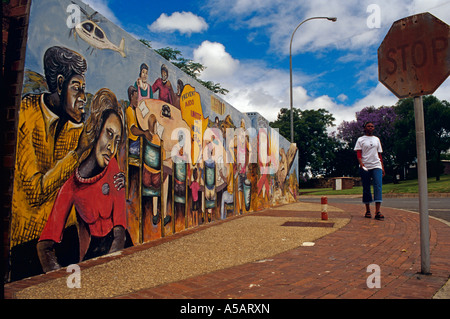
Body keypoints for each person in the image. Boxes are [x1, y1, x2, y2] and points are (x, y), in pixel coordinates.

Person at [37, 88, 127, 272]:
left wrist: (110, 268)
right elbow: (45, 244)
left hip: (117, 248)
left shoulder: (113, 169)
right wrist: (58, 277)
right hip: (91, 252)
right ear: (97, 131)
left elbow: (120, 233)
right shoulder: (73, 184)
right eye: (109, 134)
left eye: (117, 141)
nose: (112, 147)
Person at [11, 46, 91, 248]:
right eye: (76, 87)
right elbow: (34, 191)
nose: (83, 96)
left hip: (67, 230)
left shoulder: (76, 125)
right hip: (29, 237)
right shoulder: (28, 114)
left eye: (83, 88)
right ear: (60, 84)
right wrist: (78, 153)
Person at [354, 121, 385, 220]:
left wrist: (382, 167)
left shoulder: (376, 139)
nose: (371, 128)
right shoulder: (361, 139)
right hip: (365, 166)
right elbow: (358, 153)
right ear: (365, 128)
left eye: (372, 126)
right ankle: (367, 210)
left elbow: (379, 154)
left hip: (376, 165)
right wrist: (361, 163)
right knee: (366, 188)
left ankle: (377, 211)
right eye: (368, 126)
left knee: (378, 186)